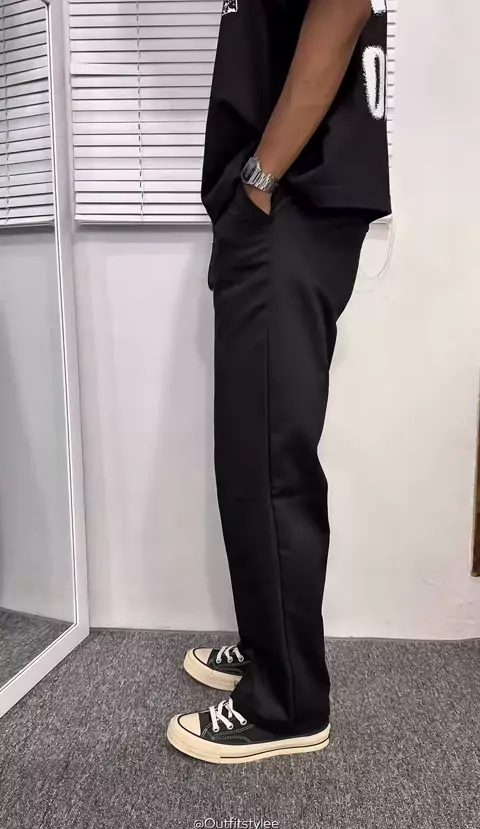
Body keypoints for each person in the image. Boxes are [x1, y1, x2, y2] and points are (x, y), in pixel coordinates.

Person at [167, 0, 391, 764]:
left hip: (289, 201)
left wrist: (261, 177)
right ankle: (273, 648)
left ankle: (288, 704)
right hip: (285, 202)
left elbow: (342, 7)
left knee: (267, 463)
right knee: (254, 454)